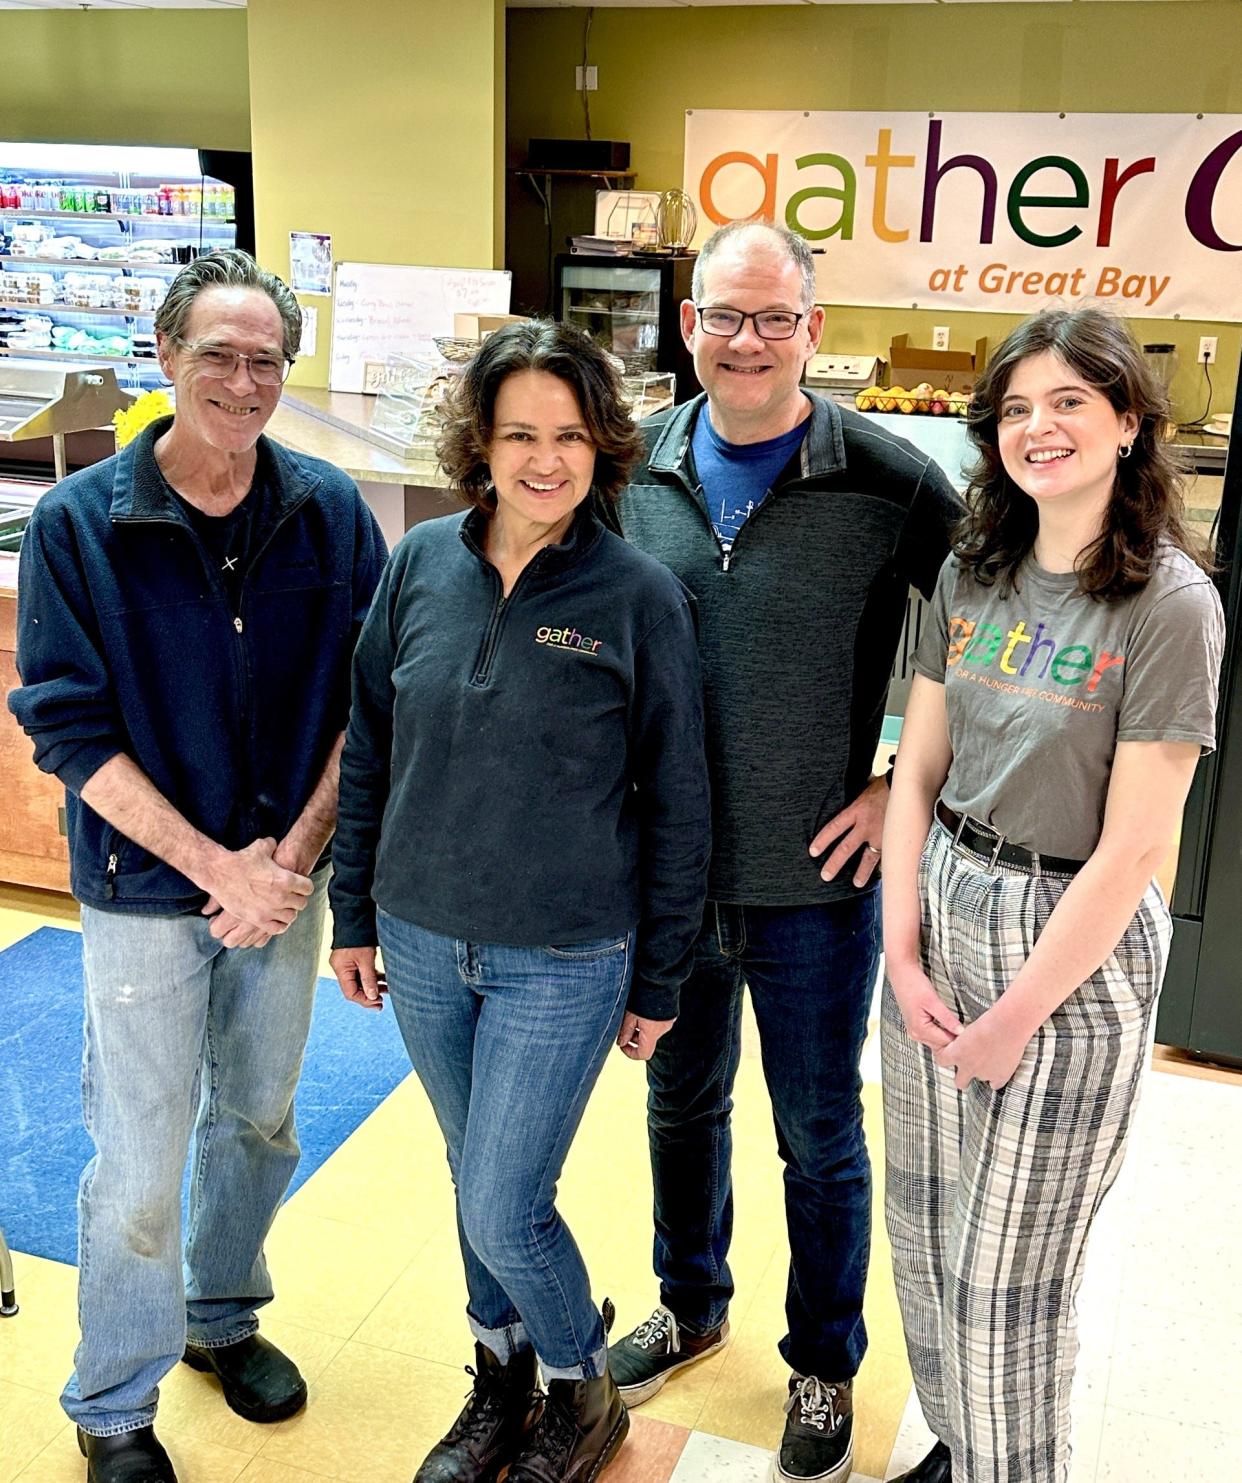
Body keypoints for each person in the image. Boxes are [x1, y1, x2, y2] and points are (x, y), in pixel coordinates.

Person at [9, 249, 387, 1483]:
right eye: (218, 354)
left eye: (266, 359)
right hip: (140, 890)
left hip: (286, 875)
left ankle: (222, 1315)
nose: (243, 379)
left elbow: (365, 704)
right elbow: (69, 729)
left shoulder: (329, 513)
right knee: (136, 1145)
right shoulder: (79, 527)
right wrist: (218, 867)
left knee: (263, 1119)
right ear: (167, 360)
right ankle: (113, 1399)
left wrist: (286, 860)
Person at [609, 219, 964, 1483]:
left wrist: (893, 783)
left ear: (814, 330)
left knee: (818, 1133)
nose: (745, 341)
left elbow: (986, 632)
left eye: (772, 318)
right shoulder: (630, 464)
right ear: (688, 322)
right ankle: (690, 1298)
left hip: (819, 884)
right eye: (722, 315)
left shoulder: (891, 478)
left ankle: (823, 1363)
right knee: (679, 1101)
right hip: (668, 876)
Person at [328, 319, 711, 1483]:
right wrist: (353, 910)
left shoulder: (639, 594)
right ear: (479, 445)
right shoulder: (419, 563)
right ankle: (500, 1381)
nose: (546, 460)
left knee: (505, 1200)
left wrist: (660, 978)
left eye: (571, 435)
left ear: (604, 447)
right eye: (518, 435)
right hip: (422, 936)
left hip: (564, 954)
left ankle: (581, 1389)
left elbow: (679, 800)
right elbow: (370, 744)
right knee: (471, 1177)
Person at [880, 307, 1224, 1483]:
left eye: (1073, 401)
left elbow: (1133, 850)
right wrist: (902, 952)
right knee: (924, 1242)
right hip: (941, 901)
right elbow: (916, 768)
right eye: (1018, 408)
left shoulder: (1171, 605)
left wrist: (1011, 1018)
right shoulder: (969, 570)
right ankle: (963, 1448)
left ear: (1129, 421)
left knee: (1004, 1291)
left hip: (1065, 950)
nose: (1042, 427)